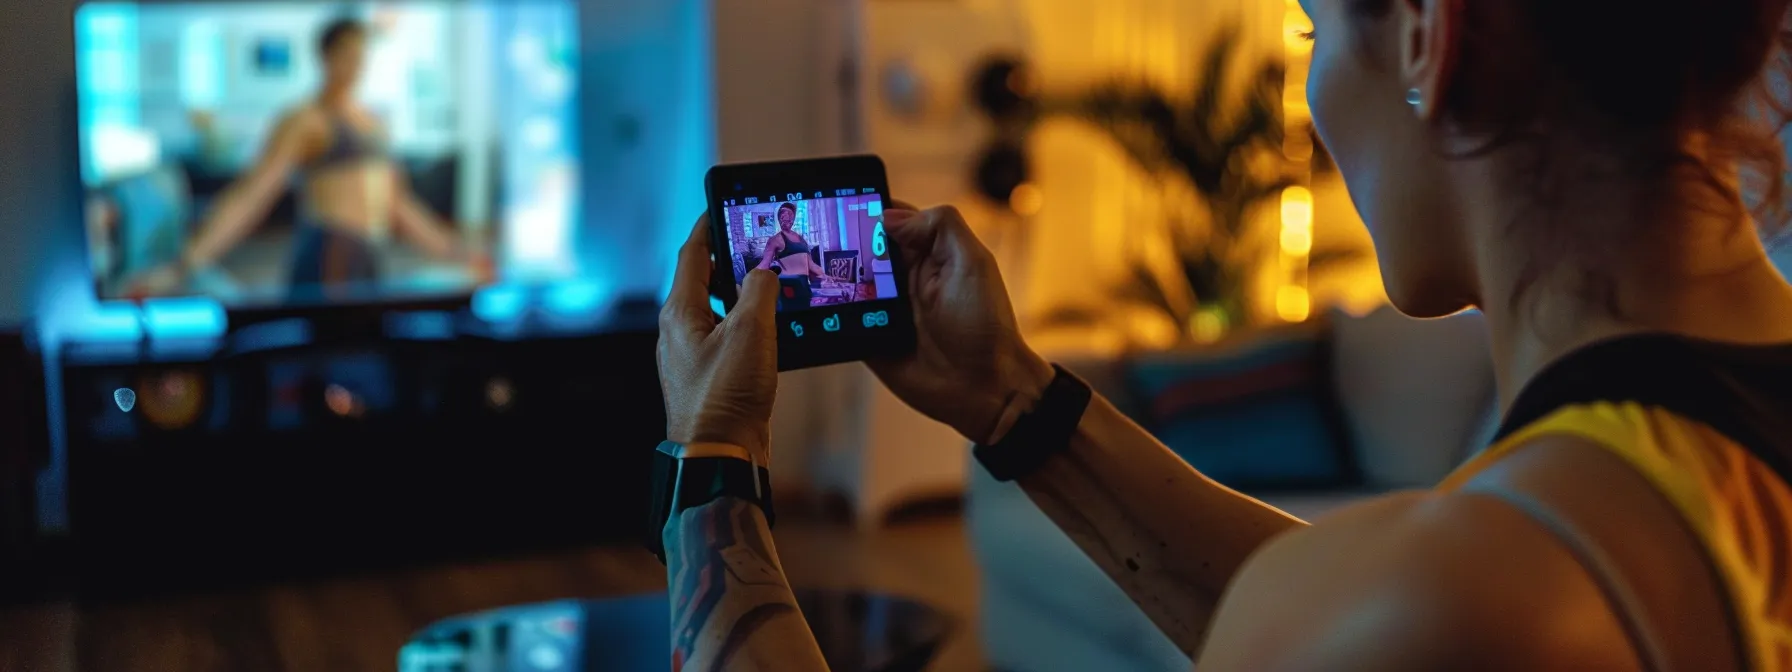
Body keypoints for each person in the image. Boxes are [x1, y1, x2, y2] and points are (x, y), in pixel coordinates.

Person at [655, 0, 1792, 669]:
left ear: (1420, 40)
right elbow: (1311, 602)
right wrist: (1014, 401)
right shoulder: (1641, 498)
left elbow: (1373, 617)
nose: (1310, 91)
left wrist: (712, 463)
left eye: (1308, 27)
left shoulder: (1476, 597)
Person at [128, 17, 488, 302]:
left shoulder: (374, 123)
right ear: (326, 57)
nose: (355, 65)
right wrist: (183, 266)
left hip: (369, 256)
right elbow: (254, 194)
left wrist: (456, 253)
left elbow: (398, 205)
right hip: (327, 257)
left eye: (361, 54)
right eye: (346, 54)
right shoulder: (305, 120)